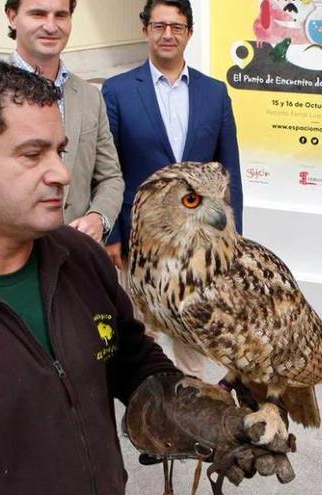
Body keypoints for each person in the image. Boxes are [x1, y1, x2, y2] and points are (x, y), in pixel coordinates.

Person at [0, 59, 289, 495]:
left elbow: (133, 361)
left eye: (60, 151)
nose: (62, 174)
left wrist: (204, 417)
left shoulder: (79, 260)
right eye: (32, 154)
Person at [102, 0, 243, 377]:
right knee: (139, 332)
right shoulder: (117, 91)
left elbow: (230, 173)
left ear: (189, 33)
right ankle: (145, 405)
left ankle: (192, 410)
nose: (168, 35)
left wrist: (234, 239)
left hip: (198, 245)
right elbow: (109, 168)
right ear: (145, 29)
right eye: (159, 26)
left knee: (193, 332)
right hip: (140, 240)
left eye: (177, 27)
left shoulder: (215, 93)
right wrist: (113, 234)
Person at [5, 0, 124, 244]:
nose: (51, 26)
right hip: (8, 257)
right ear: (12, 16)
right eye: (38, 14)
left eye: (60, 15)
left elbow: (110, 177)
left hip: (75, 259)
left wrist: (98, 218)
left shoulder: (91, 96)